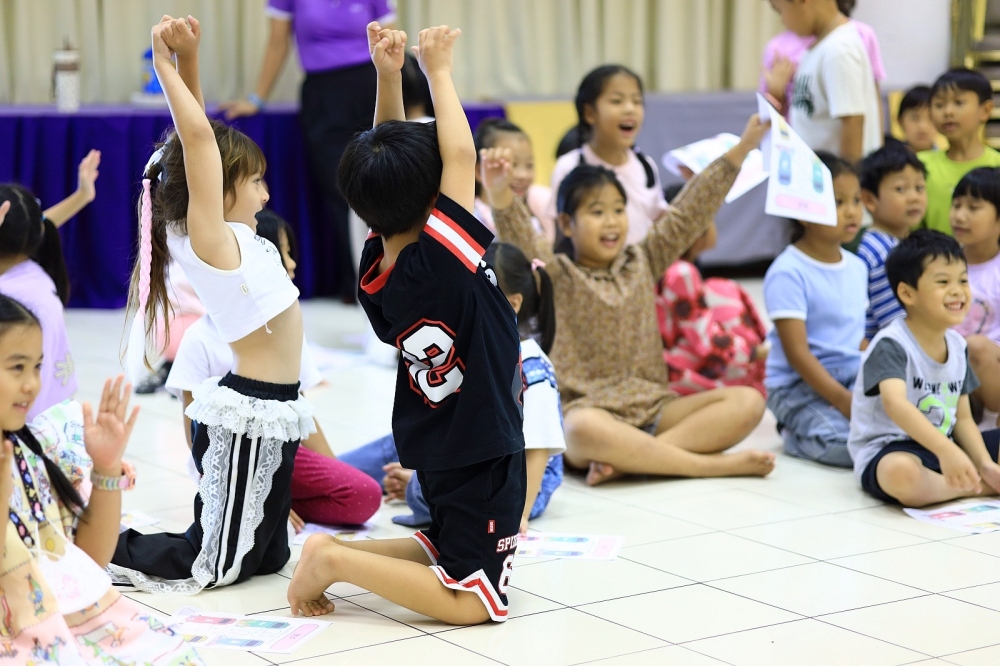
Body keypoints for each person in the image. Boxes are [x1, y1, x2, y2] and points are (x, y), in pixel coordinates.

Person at [288, 23, 525, 626]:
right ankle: (331, 560)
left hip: (441, 442)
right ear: (432, 203)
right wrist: (437, 71)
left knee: (445, 548)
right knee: (475, 604)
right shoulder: (443, 259)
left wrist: (388, 78)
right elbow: (461, 156)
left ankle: (334, 551)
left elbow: (385, 159)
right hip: (479, 446)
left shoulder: (379, 263)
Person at [109, 16, 312, 595]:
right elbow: (199, 144)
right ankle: (93, 542)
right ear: (219, 189)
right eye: (256, 182)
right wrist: (163, 65)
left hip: (277, 407)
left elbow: (200, 142)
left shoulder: (236, 235)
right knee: (213, 563)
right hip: (249, 412)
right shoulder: (209, 239)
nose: (266, 193)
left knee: (267, 557)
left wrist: (191, 62)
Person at [489, 114, 774, 486]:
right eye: (597, 212)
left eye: (618, 210)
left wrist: (744, 147)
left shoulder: (643, 260)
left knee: (748, 402)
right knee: (578, 428)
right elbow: (520, 237)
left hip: (654, 407)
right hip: (592, 413)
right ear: (567, 223)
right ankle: (711, 465)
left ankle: (627, 462)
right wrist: (499, 192)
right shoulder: (557, 273)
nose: (611, 222)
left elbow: (691, 211)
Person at [0, 294, 204, 663]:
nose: (31, 384)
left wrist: (106, 469)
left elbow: (87, 562)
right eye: (17, 367)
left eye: (37, 367)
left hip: (69, 622)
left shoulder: (33, 452)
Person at [165, 208, 381, 528]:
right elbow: (195, 438)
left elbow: (299, 409)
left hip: (285, 450)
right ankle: (275, 497)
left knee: (383, 460)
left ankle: (288, 492)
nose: (292, 264)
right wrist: (257, 501)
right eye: (284, 253)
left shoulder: (284, 323)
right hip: (236, 464)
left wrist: (333, 468)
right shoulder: (201, 338)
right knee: (364, 494)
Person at [341, 242, 564, 535]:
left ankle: (414, 486)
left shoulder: (533, 369)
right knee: (387, 448)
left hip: (508, 480)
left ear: (512, 303)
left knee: (448, 493)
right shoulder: (480, 345)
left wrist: (518, 515)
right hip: (468, 451)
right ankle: (325, 474)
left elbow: (537, 450)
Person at [221, 0, 395, 303]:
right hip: (323, 95)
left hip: (371, 87)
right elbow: (278, 41)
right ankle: (359, 279)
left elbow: (390, 41)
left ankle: (390, 274)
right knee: (339, 187)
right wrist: (257, 98)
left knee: (382, 179)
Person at [848, 230, 1000, 506]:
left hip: (945, 444)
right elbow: (896, 405)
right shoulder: (891, 343)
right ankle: (975, 487)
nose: (957, 290)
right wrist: (947, 452)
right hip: (893, 448)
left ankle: (974, 479)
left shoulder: (957, 345)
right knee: (900, 473)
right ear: (907, 293)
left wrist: (984, 462)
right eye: (943, 281)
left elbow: (963, 418)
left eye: (963, 280)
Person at [764, 153, 867, 467]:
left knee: (898, 429)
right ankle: (794, 434)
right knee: (849, 447)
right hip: (796, 386)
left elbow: (856, 337)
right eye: (838, 202)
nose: (852, 211)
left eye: (856, 200)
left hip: (852, 376)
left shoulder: (857, 267)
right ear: (804, 213)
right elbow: (798, 355)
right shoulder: (789, 270)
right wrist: (844, 401)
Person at [656, 186, 769, 397]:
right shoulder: (681, 273)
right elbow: (706, 343)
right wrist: (756, 352)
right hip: (671, 374)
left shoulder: (664, 266)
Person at [544, 65, 668, 246]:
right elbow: (560, 235)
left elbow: (658, 223)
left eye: (637, 101)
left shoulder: (646, 165)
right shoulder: (569, 166)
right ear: (589, 113)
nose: (630, 109)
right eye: (617, 101)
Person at [0, 182, 83, 420]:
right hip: (57, 417)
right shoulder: (37, 277)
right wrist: (82, 195)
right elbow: (41, 223)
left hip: (24, 422)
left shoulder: (9, 298)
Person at [771, 0, 882, 162]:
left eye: (780, 10)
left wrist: (848, 177)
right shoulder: (821, 47)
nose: (782, 20)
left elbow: (853, 123)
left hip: (834, 174)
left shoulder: (840, 50)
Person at [761, 0, 886, 122]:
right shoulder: (777, 47)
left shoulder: (849, 41)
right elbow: (767, 121)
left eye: (780, 11)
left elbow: (868, 105)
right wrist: (776, 92)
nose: (782, 20)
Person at [857, 147, 928, 340]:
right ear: (869, 199)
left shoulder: (894, 244)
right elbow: (895, 322)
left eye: (919, 188)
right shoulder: (883, 252)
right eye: (900, 189)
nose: (914, 198)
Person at [920, 69, 1000, 235]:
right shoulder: (920, 165)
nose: (948, 112)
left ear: (985, 110)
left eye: (959, 102)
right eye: (939, 105)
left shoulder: (997, 165)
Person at [951, 168, 1000, 426]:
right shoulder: (944, 261)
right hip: (949, 366)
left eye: (973, 208)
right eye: (956, 205)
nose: (960, 216)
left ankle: (992, 422)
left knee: (977, 347)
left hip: (991, 368)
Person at [472, 119, 550, 234]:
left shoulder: (533, 220)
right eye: (512, 164)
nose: (523, 175)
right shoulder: (471, 219)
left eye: (529, 165)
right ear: (480, 171)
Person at [896, 85, 937, 154]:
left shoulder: (950, 158)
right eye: (914, 118)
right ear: (900, 121)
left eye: (931, 118)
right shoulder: (889, 159)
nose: (923, 126)